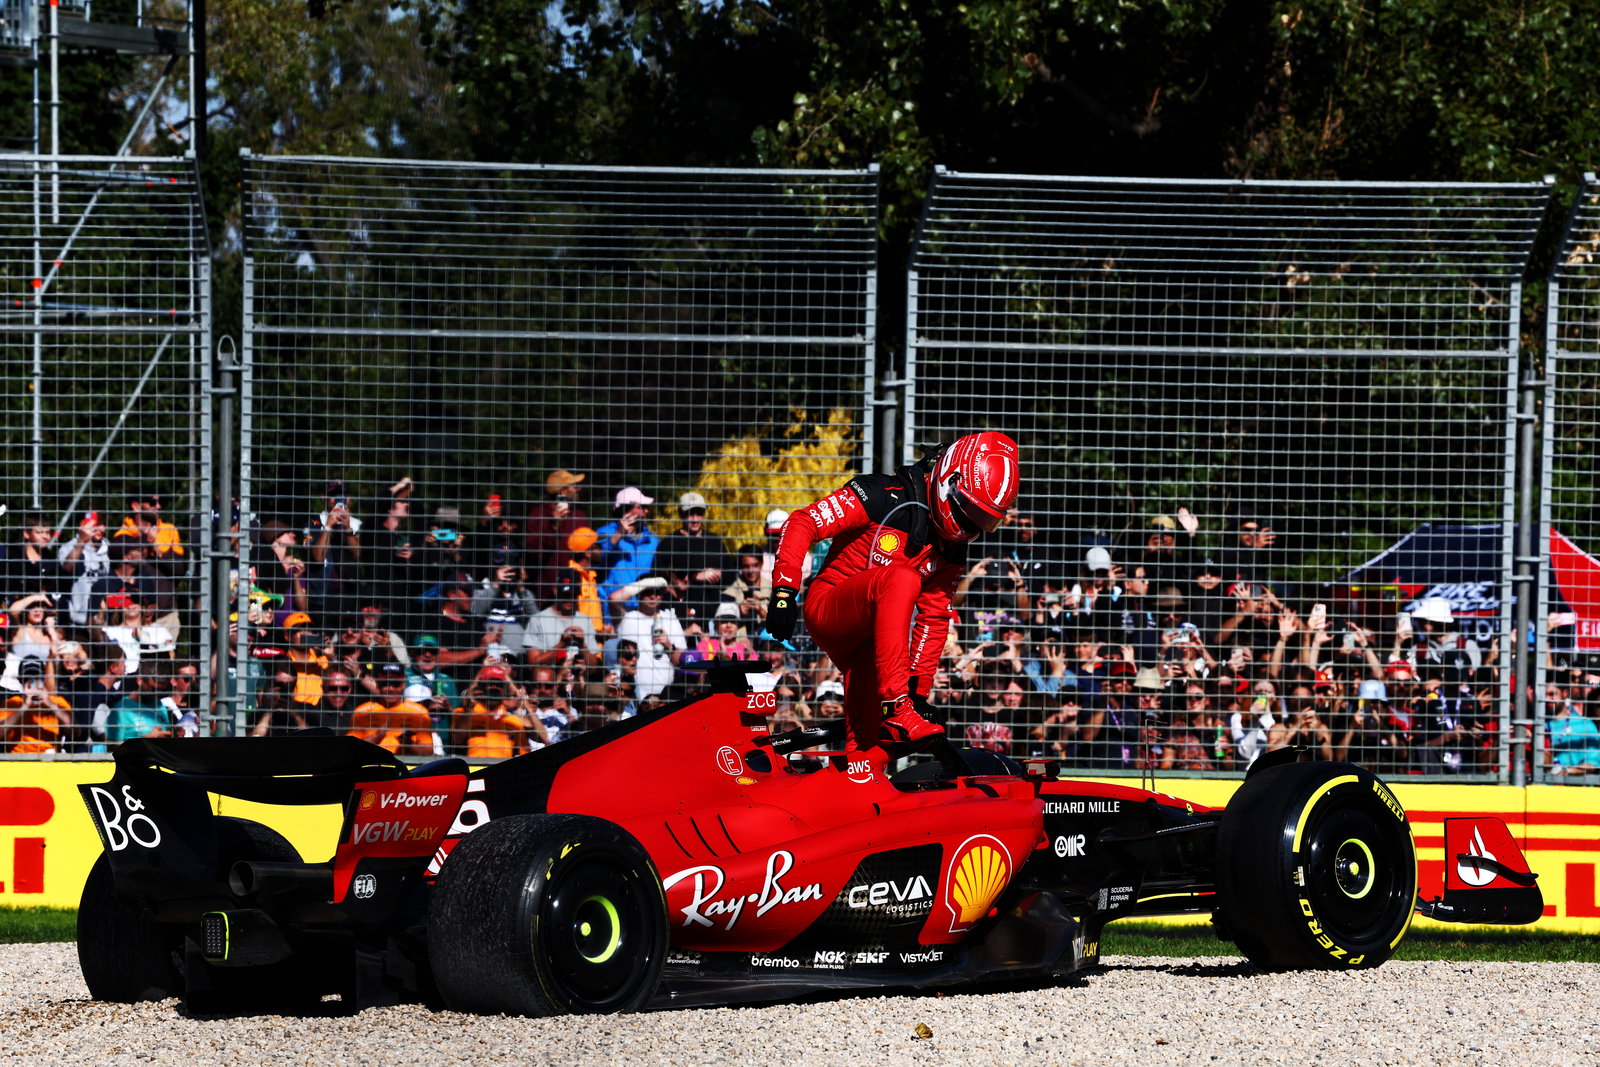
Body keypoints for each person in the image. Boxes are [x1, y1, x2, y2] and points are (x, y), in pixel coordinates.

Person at [765, 431, 1021, 779]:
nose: (969, 527)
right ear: (950, 479)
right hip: (829, 609)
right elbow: (802, 522)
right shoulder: (880, 494)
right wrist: (784, 592)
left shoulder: (952, 545)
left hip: (875, 648)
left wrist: (919, 693)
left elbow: (935, 616)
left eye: (983, 521)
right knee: (903, 579)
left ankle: (856, 786)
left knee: (868, 752)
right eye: (969, 513)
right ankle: (896, 706)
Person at [656, 492, 733, 623]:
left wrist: (720, 575)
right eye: (690, 513)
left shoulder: (714, 541)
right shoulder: (669, 543)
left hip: (713, 612)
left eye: (700, 513)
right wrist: (694, 575)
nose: (695, 519)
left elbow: (731, 574)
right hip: (681, 613)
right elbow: (659, 576)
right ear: (681, 514)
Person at [348, 662, 441, 755]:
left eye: (396, 684)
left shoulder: (419, 712)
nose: (391, 689)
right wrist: (377, 736)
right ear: (377, 684)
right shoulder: (362, 712)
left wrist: (408, 744)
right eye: (385, 683)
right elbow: (351, 750)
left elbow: (428, 750)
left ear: (403, 684)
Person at [597, 487, 661, 615]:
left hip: (644, 613)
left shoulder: (653, 541)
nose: (646, 510)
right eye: (642, 507)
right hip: (612, 613)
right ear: (627, 509)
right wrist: (619, 533)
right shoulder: (604, 533)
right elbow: (595, 558)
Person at [526, 469, 590, 597]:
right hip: (547, 592)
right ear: (563, 491)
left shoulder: (579, 516)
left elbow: (588, 553)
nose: (579, 489)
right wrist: (554, 525)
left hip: (578, 590)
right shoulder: (538, 515)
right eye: (575, 486)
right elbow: (535, 556)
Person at [1, 656, 72, 753]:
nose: (32, 682)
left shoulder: (57, 702)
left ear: (44, 678)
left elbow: (75, 732)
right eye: (26, 678)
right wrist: (24, 707)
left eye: (37, 677)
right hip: (19, 758)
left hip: (50, 758)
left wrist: (49, 703)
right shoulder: (11, 703)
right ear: (19, 680)